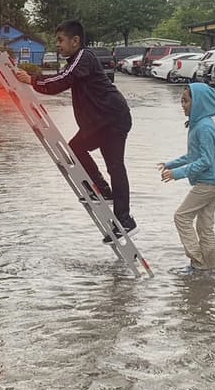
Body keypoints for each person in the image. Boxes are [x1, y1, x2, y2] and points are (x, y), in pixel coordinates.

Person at [14, 20, 137, 239]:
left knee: (114, 166)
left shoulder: (84, 57)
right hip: (101, 121)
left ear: (76, 40)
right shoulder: (75, 60)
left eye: (61, 40)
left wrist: (33, 80)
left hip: (113, 118)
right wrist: (35, 81)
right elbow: (62, 80)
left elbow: (63, 81)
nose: (57, 44)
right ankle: (102, 188)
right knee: (76, 149)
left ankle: (124, 220)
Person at [158, 83, 215, 275]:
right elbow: (192, 156)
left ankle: (198, 262)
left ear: (200, 104)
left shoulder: (204, 128)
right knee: (205, 226)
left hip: (209, 182)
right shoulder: (199, 124)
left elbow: (205, 161)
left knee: (181, 216)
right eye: (182, 100)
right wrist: (170, 164)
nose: (183, 105)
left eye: (186, 101)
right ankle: (210, 267)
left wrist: (177, 174)